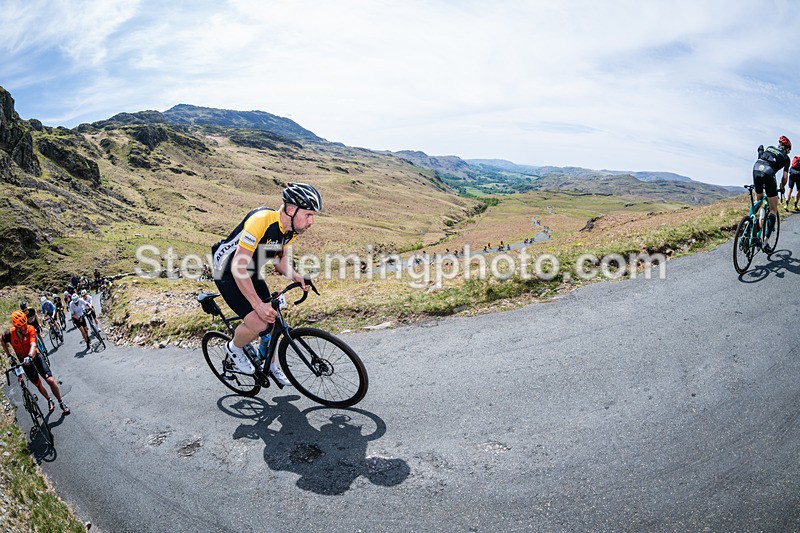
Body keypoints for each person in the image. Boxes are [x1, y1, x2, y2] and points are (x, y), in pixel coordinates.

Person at [211, 182, 321, 384]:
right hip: (227, 270)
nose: (312, 221)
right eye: (308, 215)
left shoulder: (290, 231)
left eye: (313, 215)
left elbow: (278, 260)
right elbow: (237, 268)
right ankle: (234, 349)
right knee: (260, 321)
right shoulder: (261, 221)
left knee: (272, 319)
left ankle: (268, 364)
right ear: (290, 210)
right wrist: (257, 305)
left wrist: (296, 276)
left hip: (250, 270)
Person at [2, 310, 70, 414]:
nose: (25, 327)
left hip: (36, 356)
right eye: (22, 327)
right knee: (38, 384)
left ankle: (61, 402)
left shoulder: (30, 329)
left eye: (25, 324)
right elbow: (2, 340)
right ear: (17, 327)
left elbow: (33, 345)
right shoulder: (10, 334)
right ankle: (49, 400)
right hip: (23, 362)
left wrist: (29, 356)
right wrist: (9, 355)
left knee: (50, 380)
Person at [753, 136, 791, 252]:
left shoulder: (769, 148)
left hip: (756, 168)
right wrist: (782, 187)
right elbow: (785, 177)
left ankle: (752, 224)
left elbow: (761, 156)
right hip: (768, 173)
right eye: (789, 150)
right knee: (773, 209)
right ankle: (765, 243)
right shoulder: (786, 157)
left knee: (757, 201)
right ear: (787, 149)